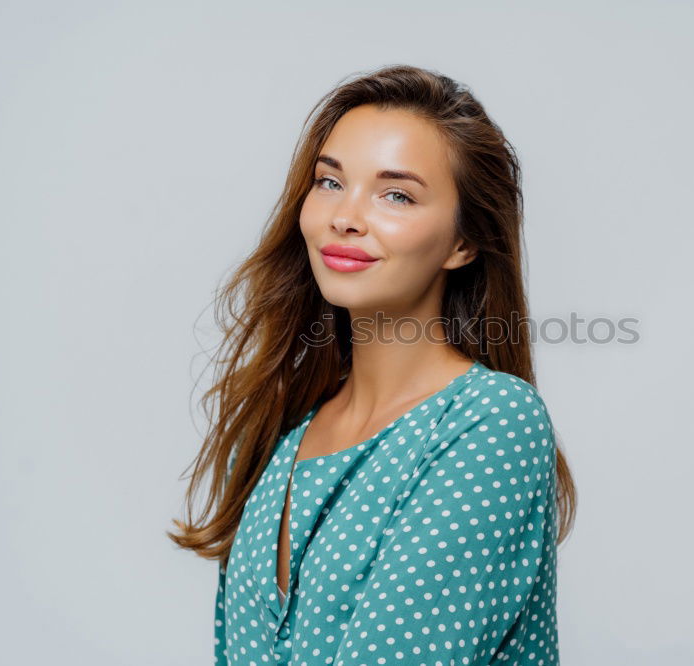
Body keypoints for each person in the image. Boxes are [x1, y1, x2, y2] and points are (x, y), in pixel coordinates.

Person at [169, 64, 576, 665]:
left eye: (396, 195)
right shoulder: (279, 426)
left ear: (463, 242)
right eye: (330, 182)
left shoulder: (492, 424)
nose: (345, 216)